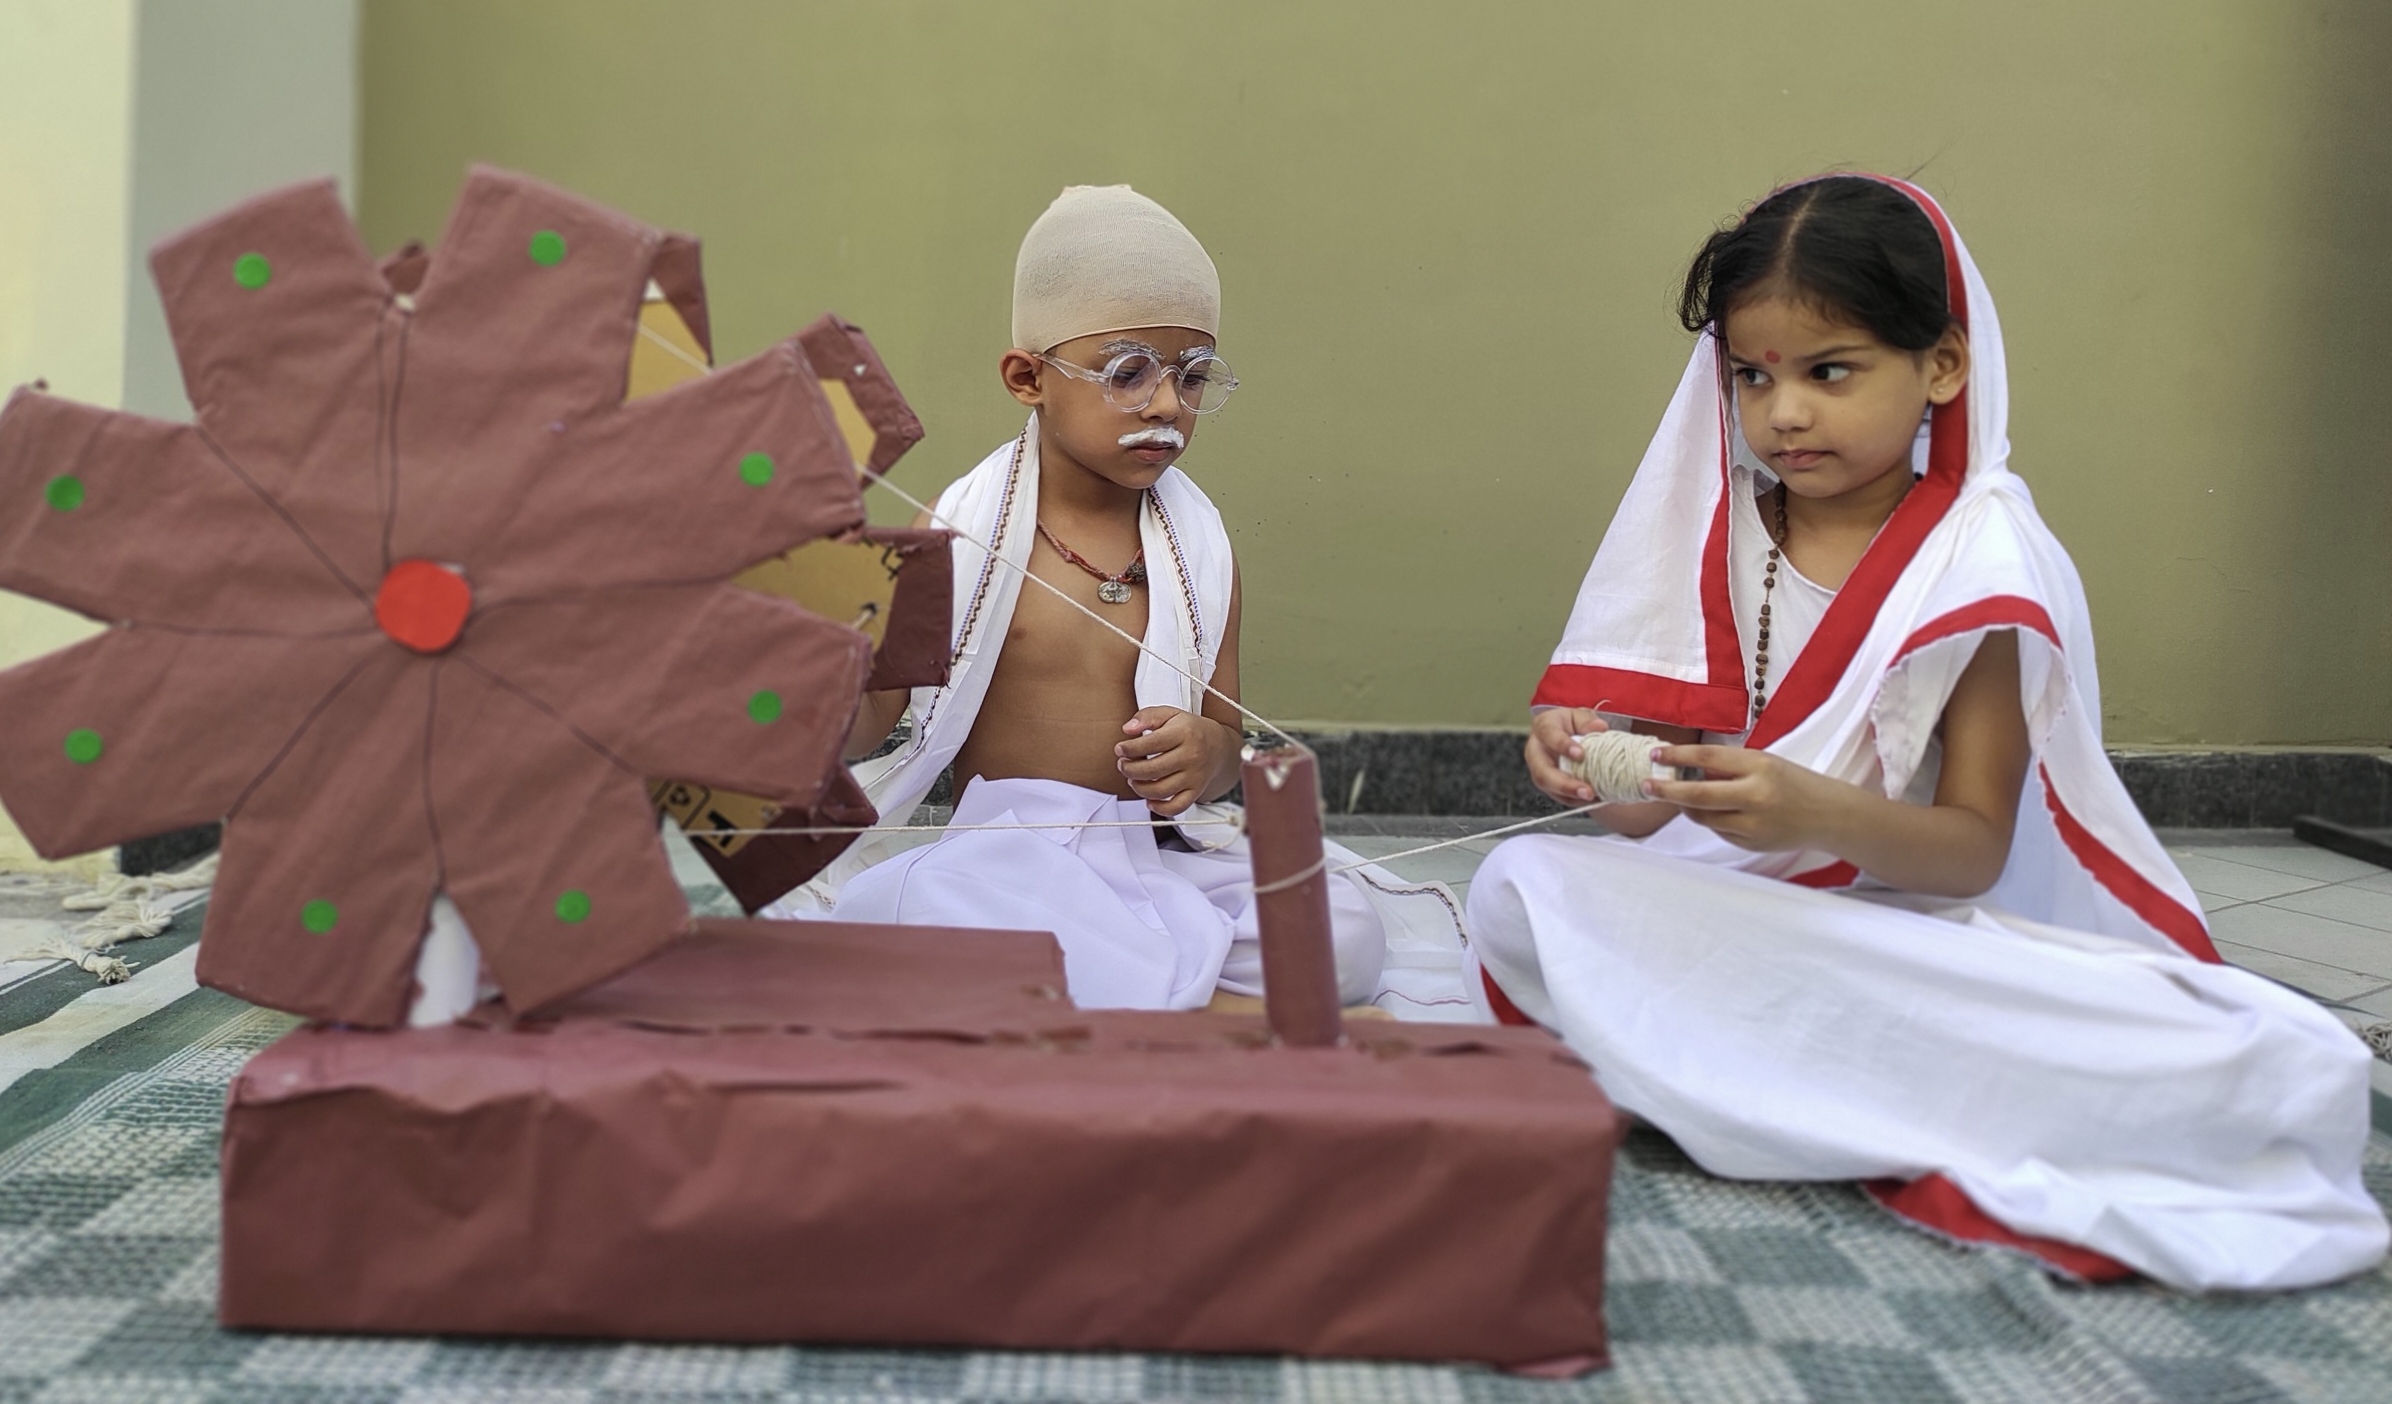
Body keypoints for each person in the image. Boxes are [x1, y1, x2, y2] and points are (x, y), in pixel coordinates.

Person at [1467, 174, 2386, 1291]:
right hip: (1750, 914)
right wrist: (1591, 767)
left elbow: (1973, 850)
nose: (1783, 413)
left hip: (1919, 931)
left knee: (2268, 1060)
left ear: (1943, 365)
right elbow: (1653, 816)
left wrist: (1813, 811)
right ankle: (1803, 1065)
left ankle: (1750, 1066)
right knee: (1520, 885)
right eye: (1752, 376)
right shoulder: (1712, 533)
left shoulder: (1976, 562)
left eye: (1829, 371)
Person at [769, 185, 1463, 1015]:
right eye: (1128, 373)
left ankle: (1147, 999)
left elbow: (1223, 735)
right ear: (1028, 377)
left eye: (1192, 376)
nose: (1167, 404)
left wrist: (1202, 755)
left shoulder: (1203, 549)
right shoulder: (960, 532)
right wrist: (822, 672)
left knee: (1343, 930)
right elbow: (877, 716)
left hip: (1156, 854)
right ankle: (1218, 1015)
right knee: (929, 904)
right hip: (1009, 860)